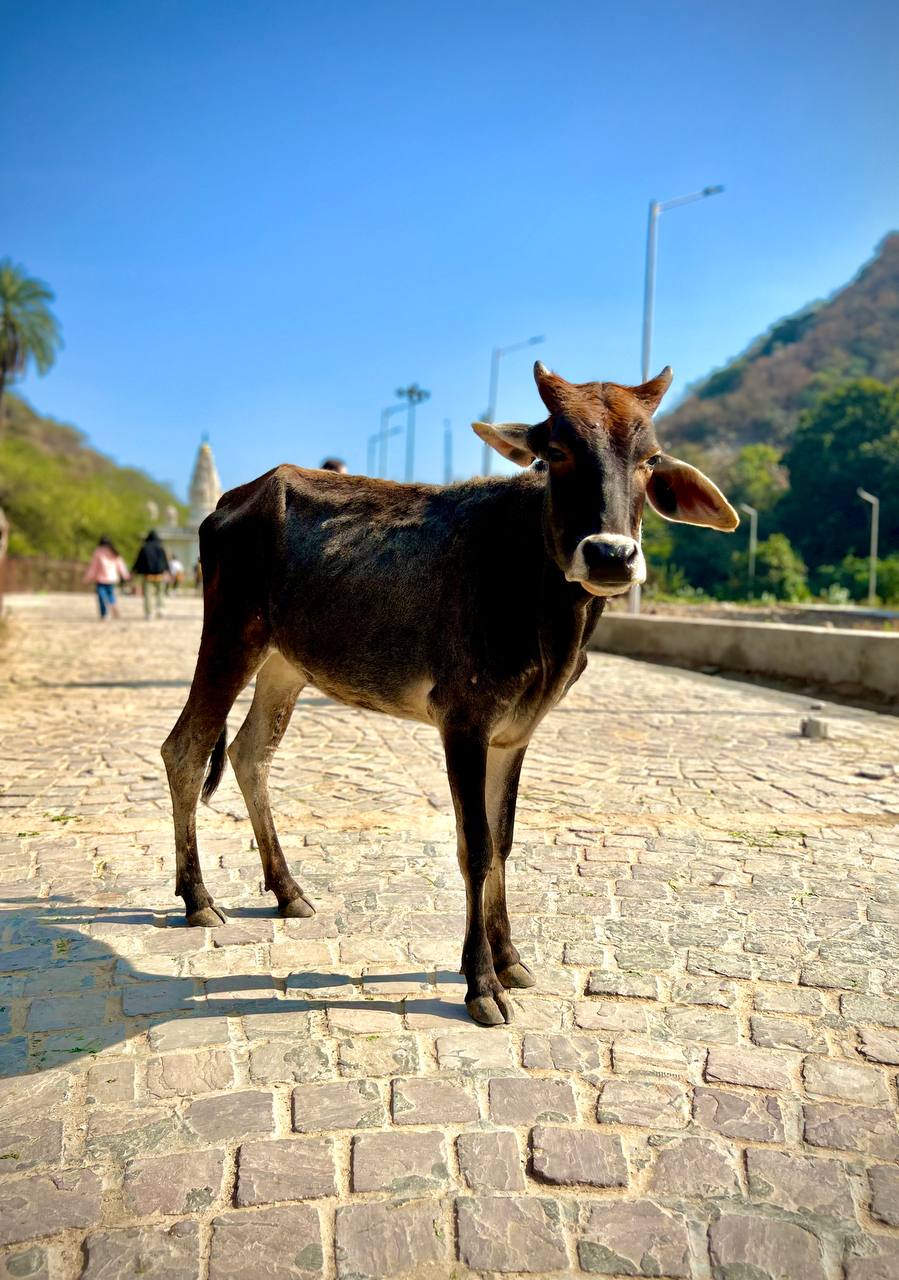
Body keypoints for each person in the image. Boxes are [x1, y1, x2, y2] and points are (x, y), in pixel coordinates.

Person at [83, 536, 129, 620]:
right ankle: (113, 604)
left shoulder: (98, 552)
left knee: (101, 596)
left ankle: (104, 614)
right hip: (112, 578)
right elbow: (120, 565)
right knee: (110, 594)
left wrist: (88, 578)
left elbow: (93, 567)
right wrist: (125, 575)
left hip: (101, 579)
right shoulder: (114, 552)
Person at [132, 530, 170, 620]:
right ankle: (161, 608)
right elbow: (165, 561)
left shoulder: (144, 548)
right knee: (160, 592)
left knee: (148, 595)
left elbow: (139, 561)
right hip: (160, 575)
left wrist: (134, 571)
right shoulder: (161, 548)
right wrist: (167, 571)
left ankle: (149, 613)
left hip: (147, 576)